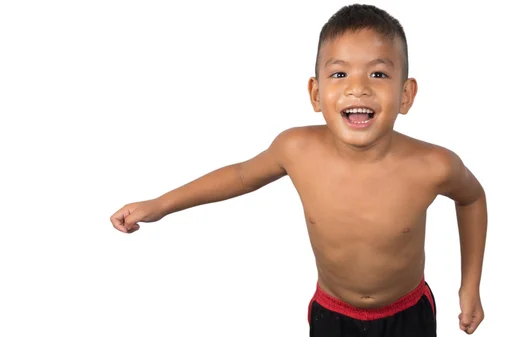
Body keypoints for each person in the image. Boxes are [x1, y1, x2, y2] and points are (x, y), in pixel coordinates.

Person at [110, 4, 487, 336]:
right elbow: (241, 175)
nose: (358, 89)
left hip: (407, 314)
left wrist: (470, 285)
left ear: (406, 95)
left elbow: (472, 199)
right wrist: (160, 204)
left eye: (378, 74)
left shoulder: (433, 165)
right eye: (340, 75)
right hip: (332, 314)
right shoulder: (297, 149)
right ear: (316, 93)